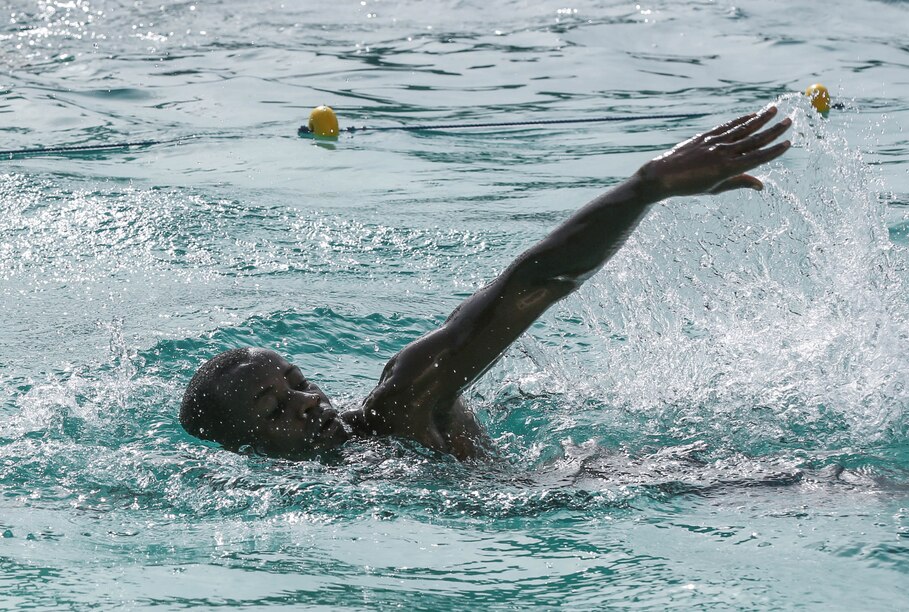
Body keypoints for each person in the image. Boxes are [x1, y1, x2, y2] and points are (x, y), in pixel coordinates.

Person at [180, 106, 792, 461]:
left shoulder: (400, 403)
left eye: (297, 381)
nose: (308, 401)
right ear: (247, 450)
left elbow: (525, 286)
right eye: (275, 408)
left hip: (654, 484)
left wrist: (646, 186)